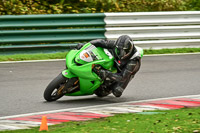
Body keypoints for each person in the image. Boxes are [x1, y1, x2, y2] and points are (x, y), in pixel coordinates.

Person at [77, 35, 142, 97]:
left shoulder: (133, 61)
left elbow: (122, 77)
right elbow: (99, 42)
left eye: (124, 51)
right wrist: (84, 46)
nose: (122, 54)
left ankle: (107, 87)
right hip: (116, 62)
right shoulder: (116, 45)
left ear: (130, 49)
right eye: (119, 50)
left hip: (125, 73)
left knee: (117, 92)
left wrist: (105, 73)